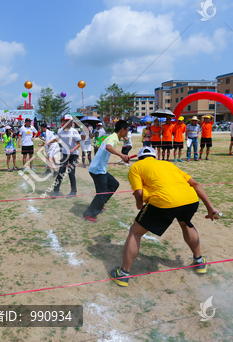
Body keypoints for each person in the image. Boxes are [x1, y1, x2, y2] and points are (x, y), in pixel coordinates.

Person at [109, 146, 221, 287]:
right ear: (155, 157)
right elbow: (195, 184)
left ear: (140, 157)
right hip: (190, 200)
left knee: (135, 232)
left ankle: (123, 274)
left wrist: (139, 204)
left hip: (164, 202)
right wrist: (210, 208)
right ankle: (199, 262)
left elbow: (138, 193)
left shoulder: (136, 166)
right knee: (185, 222)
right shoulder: (169, 164)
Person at [82, 120, 130, 223]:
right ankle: (88, 214)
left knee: (114, 184)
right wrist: (122, 155)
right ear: (122, 129)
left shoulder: (114, 138)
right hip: (97, 169)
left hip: (100, 169)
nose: (127, 132)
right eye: (127, 130)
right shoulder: (113, 138)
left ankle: (101, 203)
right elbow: (108, 147)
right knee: (102, 193)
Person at [46, 114, 81, 198]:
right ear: (63, 121)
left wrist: (73, 149)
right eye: (67, 121)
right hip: (65, 154)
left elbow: (78, 144)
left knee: (71, 173)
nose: (69, 123)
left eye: (70, 122)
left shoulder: (74, 131)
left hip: (73, 155)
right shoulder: (60, 131)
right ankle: (56, 190)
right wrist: (47, 142)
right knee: (61, 171)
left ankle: (73, 191)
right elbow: (56, 139)